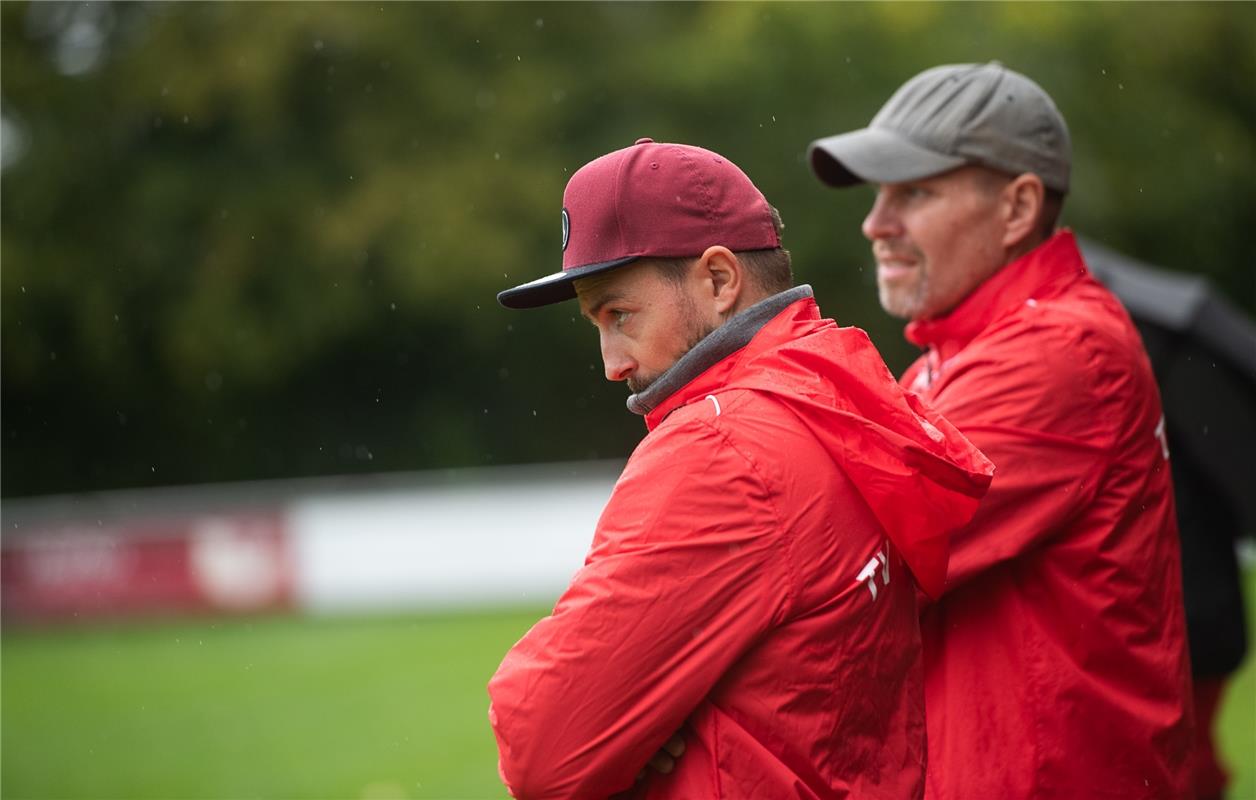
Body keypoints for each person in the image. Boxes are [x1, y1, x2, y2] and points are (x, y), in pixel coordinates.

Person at [489, 138, 993, 799]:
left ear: (720, 280)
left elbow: (543, 747)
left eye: (619, 314)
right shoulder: (835, 395)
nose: (612, 362)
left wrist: (635, 729)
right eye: (597, 325)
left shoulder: (722, 450)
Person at [808, 62, 1195, 799]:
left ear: (1018, 208)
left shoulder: (1058, 352)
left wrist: (675, 696)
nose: (875, 222)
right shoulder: (958, 355)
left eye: (914, 192)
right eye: (879, 194)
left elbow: (841, 571)